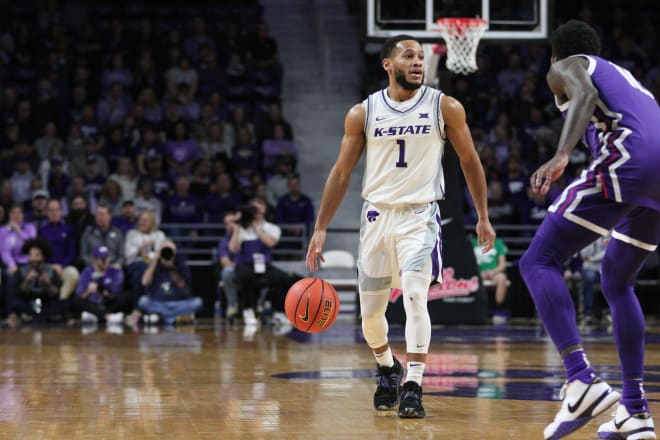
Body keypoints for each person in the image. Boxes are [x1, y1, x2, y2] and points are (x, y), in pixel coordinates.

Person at [305, 35, 494, 419]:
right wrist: (321, 226)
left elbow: (470, 161)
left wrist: (483, 215)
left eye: (422, 57)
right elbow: (341, 173)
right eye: (408, 56)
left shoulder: (446, 108)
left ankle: (413, 384)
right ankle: (388, 367)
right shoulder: (364, 112)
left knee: (413, 297)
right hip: (375, 217)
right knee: (371, 316)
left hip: (419, 216)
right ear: (388, 65)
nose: (418, 62)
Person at [519, 20, 660, 439]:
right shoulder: (629, 81)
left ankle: (580, 379)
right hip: (658, 174)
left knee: (537, 261)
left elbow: (584, 93)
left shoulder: (568, 65)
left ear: (555, 55)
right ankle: (634, 410)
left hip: (631, 159)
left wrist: (561, 155)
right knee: (617, 282)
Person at [138, 240, 203, 326]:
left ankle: (161, 318)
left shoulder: (180, 264)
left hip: (177, 304)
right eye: (164, 250)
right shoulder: (154, 264)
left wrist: (171, 268)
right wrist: (154, 261)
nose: (167, 253)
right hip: (159, 303)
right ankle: (175, 319)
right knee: (143, 301)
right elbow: (145, 282)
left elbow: (181, 285)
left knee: (198, 302)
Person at [73, 245, 129, 326]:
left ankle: (95, 316)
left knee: (127, 296)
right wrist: (89, 291)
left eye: (107, 258)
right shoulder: (86, 272)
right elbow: (80, 296)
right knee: (76, 301)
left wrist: (105, 293)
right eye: (102, 259)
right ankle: (108, 317)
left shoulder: (116, 272)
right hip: (92, 303)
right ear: (95, 259)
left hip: (108, 304)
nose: (105, 261)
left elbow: (116, 294)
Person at [472, 235, 509, 324]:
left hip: (493, 274)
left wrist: (492, 272)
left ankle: (499, 309)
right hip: (477, 273)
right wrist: (479, 273)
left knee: (502, 278)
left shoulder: (498, 243)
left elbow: (503, 265)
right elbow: (467, 262)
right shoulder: (472, 243)